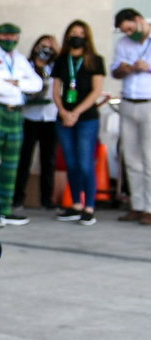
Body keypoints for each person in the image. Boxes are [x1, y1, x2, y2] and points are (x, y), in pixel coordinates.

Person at [0, 22, 43, 225]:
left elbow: (37, 84)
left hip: (14, 112)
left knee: (11, 163)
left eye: (14, 37)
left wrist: (16, 83)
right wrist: (19, 86)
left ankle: (5, 209)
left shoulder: (20, 59)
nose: (10, 41)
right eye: (6, 37)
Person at [52, 20, 107, 225]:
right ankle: (75, 204)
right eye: (73, 32)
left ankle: (89, 206)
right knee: (71, 163)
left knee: (85, 163)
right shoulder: (62, 60)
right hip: (64, 117)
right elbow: (56, 90)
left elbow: (96, 91)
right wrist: (63, 111)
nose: (76, 36)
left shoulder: (95, 60)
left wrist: (76, 112)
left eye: (80, 33)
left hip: (86, 118)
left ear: (87, 37)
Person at [111, 7, 151, 223]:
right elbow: (114, 70)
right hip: (128, 101)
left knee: (149, 156)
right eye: (124, 31)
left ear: (138, 20)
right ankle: (137, 204)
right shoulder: (124, 44)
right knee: (131, 157)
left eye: (129, 28)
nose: (128, 34)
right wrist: (125, 69)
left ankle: (150, 207)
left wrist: (147, 67)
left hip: (149, 103)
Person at [15, 33, 59, 212]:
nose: (45, 50)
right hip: (30, 116)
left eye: (50, 46)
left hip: (50, 116)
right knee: (24, 158)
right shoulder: (27, 64)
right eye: (42, 45)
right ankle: (18, 197)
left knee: (48, 158)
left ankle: (47, 198)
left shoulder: (56, 66)